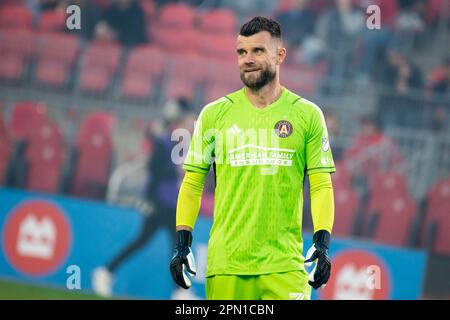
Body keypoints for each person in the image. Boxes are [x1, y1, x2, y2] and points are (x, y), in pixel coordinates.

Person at [169, 16, 336, 300]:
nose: (248, 59)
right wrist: (182, 243)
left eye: (258, 50)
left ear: (279, 55)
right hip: (226, 265)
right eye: (241, 52)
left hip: (285, 267)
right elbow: (192, 183)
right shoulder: (213, 115)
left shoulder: (308, 115)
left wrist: (322, 243)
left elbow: (320, 185)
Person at [92, 98, 196, 297]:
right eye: (191, 120)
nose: (193, 125)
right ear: (181, 122)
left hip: (174, 204)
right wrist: (174, 171)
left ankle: (180, 292)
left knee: (176, 246)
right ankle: (105, 271)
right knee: (145, 241)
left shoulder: (185, 144)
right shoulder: (166, 142)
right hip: (160, 203)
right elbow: (153, 170)